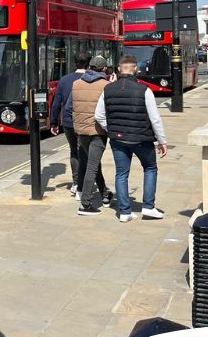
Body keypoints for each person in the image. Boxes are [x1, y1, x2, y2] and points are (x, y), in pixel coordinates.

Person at [95, 55, 168, 222]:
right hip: (141, 138)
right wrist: (162, 141)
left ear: (119, 69)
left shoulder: (108, 89)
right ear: (135, 68)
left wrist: (110, 128)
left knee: (121, 174)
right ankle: (148, 207)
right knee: (150, 168)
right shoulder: (144, 90)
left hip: (117, 138)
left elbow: (99, 116)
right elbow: (155, 118)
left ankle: (125, 212)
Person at [68, 55, 113, 216]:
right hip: (97, 132)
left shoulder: (76, 84)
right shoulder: (106, 85)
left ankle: (104, 194)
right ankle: (85, 204)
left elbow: (69, 107)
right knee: (92, 167)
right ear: (104, 69)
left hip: (81, 132)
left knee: (95, 164)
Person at [50, 51, 90, 196]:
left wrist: (54, 123)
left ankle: (75, 182)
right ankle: (84, 182)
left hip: (68, 122)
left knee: (74, 150)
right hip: (85, 121)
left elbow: (56, 103)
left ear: (75, 62)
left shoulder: (64, 80)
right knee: (86, 152)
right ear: (89, 62)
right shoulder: (91, 79)